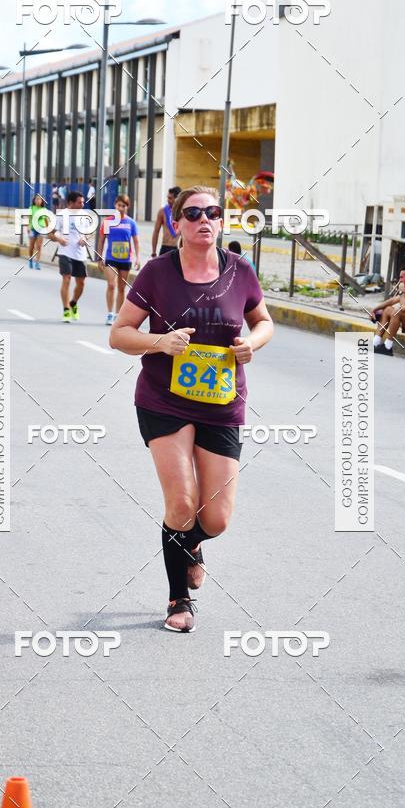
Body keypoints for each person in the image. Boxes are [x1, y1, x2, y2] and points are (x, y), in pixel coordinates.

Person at [110, 186, 273, 633]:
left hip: (222, 404)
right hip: (164, 400)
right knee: (182, 504)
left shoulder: (240, 270)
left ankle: (192, 546)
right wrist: (159, 342)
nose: (204, 220)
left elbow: (263, 321)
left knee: (216, 519)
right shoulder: (157, 273)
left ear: (221, 221)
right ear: (176, 222)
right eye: (194, 213)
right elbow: (120, 334)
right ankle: (178, 598)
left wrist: (252, 344)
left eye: (213, 212)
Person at [98, 194, 140, 325]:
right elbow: (101, 240)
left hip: (125, 259)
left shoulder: (131, 223)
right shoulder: (107, 221)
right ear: (115, 205)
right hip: (111, 257)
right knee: (111, 285)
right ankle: (110, 314)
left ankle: (117, 315)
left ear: (128, 207)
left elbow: (136, 241)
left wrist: (138, 258)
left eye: (123, 206)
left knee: (121, 288)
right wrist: (99, 257)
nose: (121, 208)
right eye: (119, 205)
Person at [48, 190, 90, 322]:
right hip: (65, 252)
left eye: (83, 202)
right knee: (66, 279)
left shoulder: (85, 215)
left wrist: (85, 238)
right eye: (79, 202)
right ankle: (66, 310)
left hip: (80, 254)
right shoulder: (61, 215)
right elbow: (50, 234)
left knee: (81, 283)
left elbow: (89, 232)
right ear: (71, 203)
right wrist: (59, 239)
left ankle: (73, 303)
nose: (82, 205)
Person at [151, 186, 181, 258]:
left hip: (176, 248)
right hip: (165, 247)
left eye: (170, 198)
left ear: (177, 199)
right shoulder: (162, 211)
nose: (168, 200)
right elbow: (156, 232)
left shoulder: (182, 212)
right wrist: (154, 252)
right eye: (168, 198)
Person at [27, 193, 48, 270]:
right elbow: (29, 219)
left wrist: (48, 229)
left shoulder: (44, 210)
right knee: (31, 247)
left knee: (39, 246)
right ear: (34, 200)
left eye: (39, 199)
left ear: (42, 201)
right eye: (36, 199)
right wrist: (28, 227)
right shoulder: (31, 208)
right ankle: (30, 260)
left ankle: (37, 263)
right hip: (33, 229)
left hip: (41, 229)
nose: (38, 200)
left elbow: (46, 220)